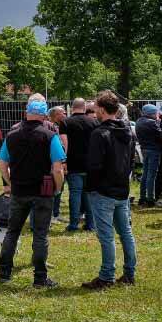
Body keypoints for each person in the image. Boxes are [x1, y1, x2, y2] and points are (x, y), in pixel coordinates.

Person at [0, 98, 65, 288]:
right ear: (44, 115)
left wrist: (11, 183)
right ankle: (40, 278)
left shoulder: (11, 135)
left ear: (26, 113)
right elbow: (58, 168)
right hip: (43, 191)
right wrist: (58, 188)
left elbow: (2, 166)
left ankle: (5, 273)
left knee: (12, 232)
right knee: (40, 234)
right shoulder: (50, 135)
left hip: (19, 190)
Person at [82, 91, 138, 289]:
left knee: (106, 236)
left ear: (103, 110)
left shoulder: (100, 133)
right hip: (121, 189)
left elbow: (94, 165)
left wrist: (91, 187)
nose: (94, 110)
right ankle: (130, 273)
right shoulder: (128, 131)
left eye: (96, 107)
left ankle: (107, 276)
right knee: (125, 233)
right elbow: (131, 161)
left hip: (103, 191)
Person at [63, 98, 98, 232]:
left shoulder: (65, 122)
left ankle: (73, 224)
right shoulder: (94, 122)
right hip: (90, 163)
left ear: (72, 107)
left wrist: (64, 161)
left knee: (75, 194)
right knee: (89, 194)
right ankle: (91, 224)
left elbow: (64, 145)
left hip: (73, 163)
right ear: (84, 107)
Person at [135, 104, 161, 207]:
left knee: (145, 173)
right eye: (155, 113)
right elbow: (160, 135)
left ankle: (142, 197)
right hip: (153, 150)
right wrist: (158, 123)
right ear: (151, 113)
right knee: (151, 175)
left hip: (144, 149)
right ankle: (150, 198)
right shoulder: (152, 123)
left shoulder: (138, 121)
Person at [48, 106, 68, 222]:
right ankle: (52, 214)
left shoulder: (60, 126)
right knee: (53, 188)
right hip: (53, 163)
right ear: (56, 115)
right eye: (62, 113)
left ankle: (55, 213)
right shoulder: (51, 127)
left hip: (58, 161)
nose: (65, 115)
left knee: (58, 188)